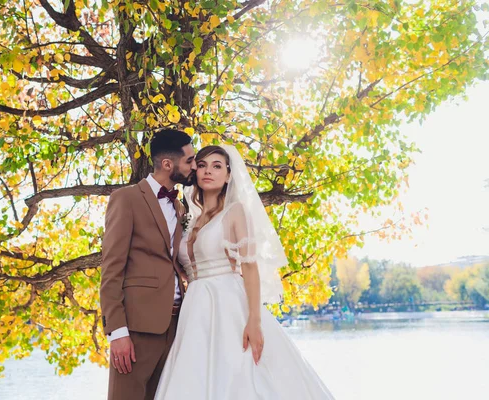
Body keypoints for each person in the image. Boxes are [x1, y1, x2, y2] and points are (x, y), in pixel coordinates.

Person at [154, 145, 335, 400]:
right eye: (203, 165)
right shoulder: (188, 218)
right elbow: (186, 267)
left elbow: (249, 267)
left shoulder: (235, 211)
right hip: (195, 308)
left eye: (217, 166)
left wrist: (254, 320)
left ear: (228, 175)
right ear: (195, 173)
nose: (209, 171)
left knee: (238, 374)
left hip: (227, 303)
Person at [100, 129, 196, 400]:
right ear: (168, 164)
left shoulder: (180, 207)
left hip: (177, 326)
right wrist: (117, 332)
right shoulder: (127, 199)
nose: (194, 166)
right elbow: (111, 269)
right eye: (189, 160)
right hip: (137, 328)